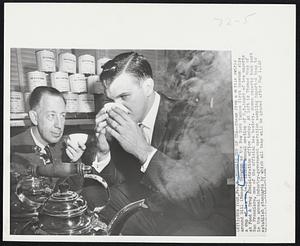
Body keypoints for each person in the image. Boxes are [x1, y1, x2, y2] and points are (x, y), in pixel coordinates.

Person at [74, 52, 235, 235]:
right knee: (88, 198)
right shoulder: (126, 118)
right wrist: (103, 154)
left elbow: (202, 201)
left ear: (148, 87)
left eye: (125, 96)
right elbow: (120, 181)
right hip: (153, 204)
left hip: (198, 215)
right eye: (110, 100)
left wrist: (143, 150)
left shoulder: (194, 117)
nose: (116, 108)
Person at [10, 86, 83, 191]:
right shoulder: (12, 151)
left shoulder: (65, 146)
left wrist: (74, 165)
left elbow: (75, 190)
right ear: (34, 118)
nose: (59, 125)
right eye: (51, 116)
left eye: (62, 116)